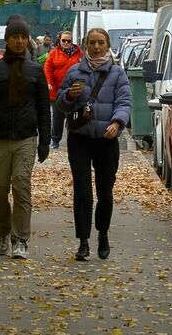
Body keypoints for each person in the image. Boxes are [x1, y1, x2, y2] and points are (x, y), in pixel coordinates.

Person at [0, 15, 51, 258]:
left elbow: (42, 107)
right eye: (15, 37)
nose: (19, 41)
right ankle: (3, 230)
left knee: (21, 187)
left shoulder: (35, 71)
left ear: (27, 40)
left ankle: (20, 239)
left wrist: (45, 141)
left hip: (26, 139)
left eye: (23, 37)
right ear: (7, 39)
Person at [56, 28, 131, 261]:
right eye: (92, 43)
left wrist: (117, 123)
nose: (96, 47)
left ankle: (103, 233)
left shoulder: (117, 74)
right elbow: (60, 104)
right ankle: (83, 241)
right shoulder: (75, 72)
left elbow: (124, 101)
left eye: (101, 43)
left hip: (106, 140)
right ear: (85, 45)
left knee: (105, 191)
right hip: (80, 138)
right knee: (82, 190)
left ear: (107, 45)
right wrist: (69, 95)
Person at [43, 29, 82, 150]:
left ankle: (73, 140)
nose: (66, 42)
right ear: (59, 41)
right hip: (57, 92)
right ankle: (55, 140)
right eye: (63, 40)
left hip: (74, 91)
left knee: (72, 116)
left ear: (72, 42)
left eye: (68, 41)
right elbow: (47, 68)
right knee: (57, 117)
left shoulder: (79, 53)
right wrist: (48, 82)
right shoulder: (54, 53)